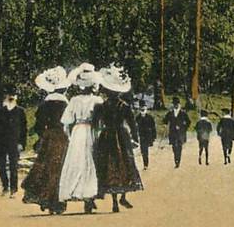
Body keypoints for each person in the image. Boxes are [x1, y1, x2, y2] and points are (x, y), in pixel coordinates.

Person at [93, 64, 143, 213]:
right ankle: (122, 196)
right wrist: (136, 138)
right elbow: (133, 124)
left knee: (110, 166)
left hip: (107, 136)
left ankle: (115, 200)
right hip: (122, 136)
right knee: (125, 164)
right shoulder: (125, 106)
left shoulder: (101, 106)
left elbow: (95, 123)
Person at [21, 66, 71, 215]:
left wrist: (41, 135)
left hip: (48, 137)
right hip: (62, 137)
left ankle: (46, 199)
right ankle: (58, 202)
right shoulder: (65, 104)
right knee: (60, 168)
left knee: (45, 168)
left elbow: (39, 124)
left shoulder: (44, 105)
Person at [58, 63, 103, 214]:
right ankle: (89, 196)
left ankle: (73, 192)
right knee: (90, 161)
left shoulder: (74, 100)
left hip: (78, 131)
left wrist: (69, 135)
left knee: (76, 161)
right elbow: (101, 122)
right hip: (90, 130)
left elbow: (66, 122)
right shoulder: (97, 100)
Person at [0, 86, 27, 197]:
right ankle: (5, 186)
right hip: (1, 142)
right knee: (1, 165)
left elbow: (24, 129)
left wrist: (22, 143)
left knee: (13, 166)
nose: (11, 98)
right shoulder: (1, 111)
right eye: (9, 96)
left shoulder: (20, 111)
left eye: (13, 96)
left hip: (14, 142)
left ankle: (13, 189)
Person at [163, 97, 190, 168]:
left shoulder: (183, 113)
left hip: (180, 133)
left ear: (179, 104)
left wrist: (183, 127)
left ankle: (178, 161)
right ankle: (176, 159)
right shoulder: (170, 113)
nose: (175, 105)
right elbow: (165, 120)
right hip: (172, 133)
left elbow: (188, 122)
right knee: (174, 147)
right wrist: (165, 124)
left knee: (179, 146)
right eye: (174, 104)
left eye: (177, 104)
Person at [135, 103, 157, 170]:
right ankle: (145, 163)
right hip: (141, 136)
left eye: (144, 108)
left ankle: (145, 164)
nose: (142, 109)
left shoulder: (150, 117)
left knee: (145, 151)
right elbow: (134, 127)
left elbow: (153, 127)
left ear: (146, 109)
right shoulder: (137, 117)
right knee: (143, 151)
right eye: (141, 108)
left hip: (148, 136)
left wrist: (154, 136)